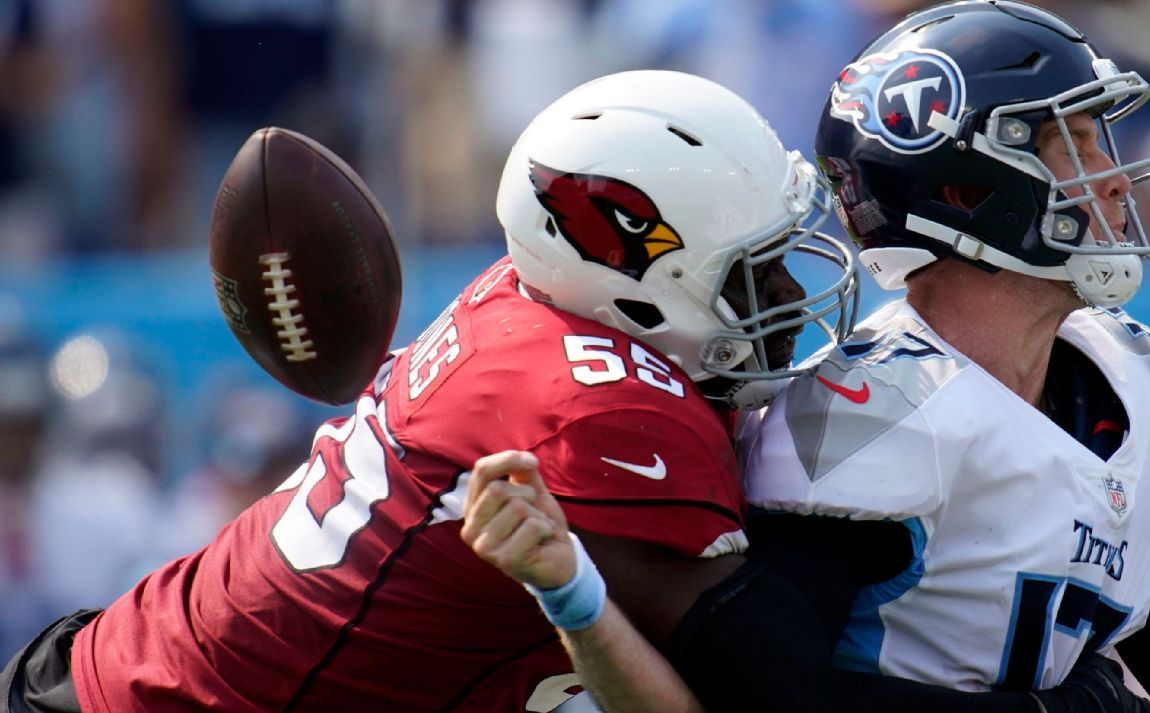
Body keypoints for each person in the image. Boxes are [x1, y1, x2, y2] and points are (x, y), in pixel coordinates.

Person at [462, 0, 1150, 713]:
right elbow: (769, 699)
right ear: (969, 192)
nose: (1115, 179)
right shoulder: (868, 415)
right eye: (1078, 143)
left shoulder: (1131, 375)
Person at [1, 69, 860, 713]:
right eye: (757, 271)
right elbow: (770, 685)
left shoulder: (535, 298)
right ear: (634, 274)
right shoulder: (595, 407)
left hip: (135, 661)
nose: (786, 295)